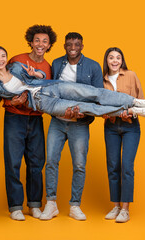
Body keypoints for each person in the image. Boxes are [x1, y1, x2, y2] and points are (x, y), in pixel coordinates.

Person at [0, 25, 57, 221]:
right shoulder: (16, 61)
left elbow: (48, 94)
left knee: (36, 163)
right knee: (13, 162)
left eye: (44, 41)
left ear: (49, 44)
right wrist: (9, 102)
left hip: (36, 119)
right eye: (37, 40)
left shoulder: (48, 67)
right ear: (31, 42)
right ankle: (15, 206)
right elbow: (2, 87)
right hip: (14, 118)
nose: (40, 44)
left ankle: (34, 205)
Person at [0, 46, 145, 124]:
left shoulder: (16, 66)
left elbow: (37, 76)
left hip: (49, 87)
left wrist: (36, 73)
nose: (1, 59)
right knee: (88, 107)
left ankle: (133, 101)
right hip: (43, 103)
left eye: (3, 55)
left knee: (94, 93)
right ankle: (130, 111)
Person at [40, 32, 103, 221]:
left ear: (82, 46)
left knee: (79, 165)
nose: (73, 47)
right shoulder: (57, 64)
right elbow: (49, 92)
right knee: (50, 161)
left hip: (80, 125)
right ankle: (51, 204)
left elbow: (97, 96)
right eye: (69, 44)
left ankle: (75, 205)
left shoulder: (93, 66)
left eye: (77, 44)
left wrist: (83, 114)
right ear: (65, 46)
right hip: (58, 122)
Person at [102, 47, 145, 223]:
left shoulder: (131, 75)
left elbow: (141, 100)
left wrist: (131, 112)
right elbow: (99, 105)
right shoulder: (102, 80)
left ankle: (125, 210)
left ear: (122, 60)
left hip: (130, 127)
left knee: (127, 167)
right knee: (113, 166)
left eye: (118, 58)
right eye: (111, 57)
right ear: (106, 60)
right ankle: (116, 206)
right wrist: (108, 114)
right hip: (111, 127)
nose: (114, 61)